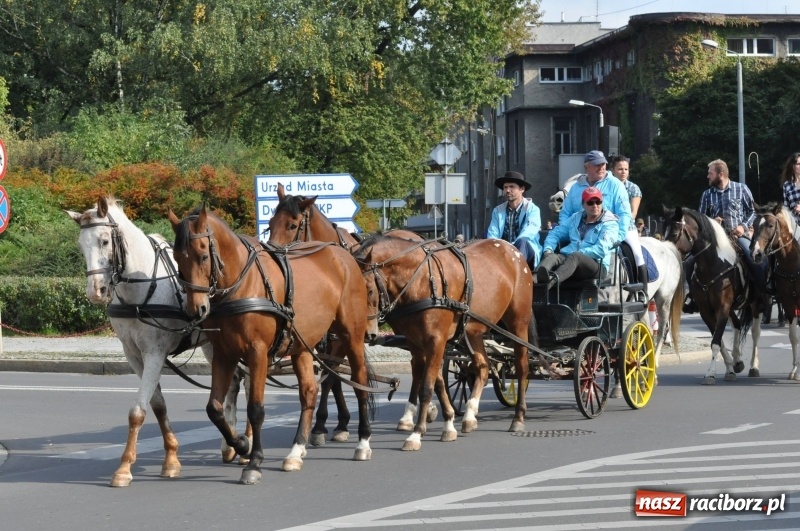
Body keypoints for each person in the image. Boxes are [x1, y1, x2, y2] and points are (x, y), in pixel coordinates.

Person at [685, 159, 767, 312]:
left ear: (720, 174)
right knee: (689, 263)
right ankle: (695, 297)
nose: (707, 176)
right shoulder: (707, 195)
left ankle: (762, 294)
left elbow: (752, 211)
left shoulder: (741, 189)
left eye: (710, 173)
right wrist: (711, 222)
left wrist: (742, 227)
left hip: (737, 236)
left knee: (753, 258)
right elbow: (700, 219)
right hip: (715, 239)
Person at [559, 151, 642, 293]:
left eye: (603, 164)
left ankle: (640, 289)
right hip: (581, 235)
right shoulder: (575, 187)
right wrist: (565, 233)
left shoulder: (616, 185)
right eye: (597, 165)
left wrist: (617, 238)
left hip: (612, 232)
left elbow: (624, 214)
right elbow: (565, 213)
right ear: (587, 167)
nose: (601, 168)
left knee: (636, 253)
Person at [537, 187, 620, 288]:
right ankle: (533, 281)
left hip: (597, 265)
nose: (595, 206)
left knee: (576, 256)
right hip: (570, 260)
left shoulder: (610, 223)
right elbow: (556, 233)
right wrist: (548, 249)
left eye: (598, 202)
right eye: (590, 203)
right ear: (583, 204)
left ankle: (549, 283)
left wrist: (577, 253)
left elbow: (601, 250)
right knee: (552, 257)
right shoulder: (576, 217)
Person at [487, 170, 542, 269]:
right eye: (505, 187)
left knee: (522, 241)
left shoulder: (532, 209)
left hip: (525, 249)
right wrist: (499, 245)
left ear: (522, 189)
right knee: (487, 244)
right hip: (503, 250)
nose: (508, 190)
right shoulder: (497, 210)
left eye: (512, 187)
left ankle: (516, 273)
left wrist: (511, 247)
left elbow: (528, 232)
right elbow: (492, 233)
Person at [781, 152, 800, 224]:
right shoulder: (787, 185)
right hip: (794, 224)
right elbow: (786, 208)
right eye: (798, 164)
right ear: (793, 166)